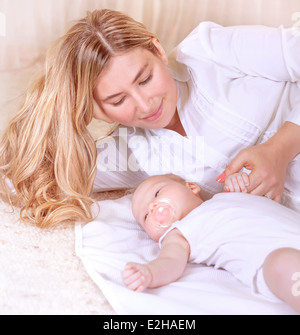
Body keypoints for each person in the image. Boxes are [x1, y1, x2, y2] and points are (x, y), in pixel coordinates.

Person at [0, 9, 300, 227]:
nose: (145, 105)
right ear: (94, 109)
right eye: (117, 100)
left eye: (145, 78)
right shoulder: (130, 154)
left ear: (157, 50)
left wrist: (279, 149)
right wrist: (63, 112)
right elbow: (20, 175)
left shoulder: (208, 53)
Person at [122, 173, 300, 314]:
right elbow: (170, 262)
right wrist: (150, 272)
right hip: (273, 257)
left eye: (157, 193)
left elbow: (262, 187)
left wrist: (240, 180)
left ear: (191, 187)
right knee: (282, 264)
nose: (153, 207)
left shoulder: (227, 196)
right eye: (145, 216)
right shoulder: (178, 234)